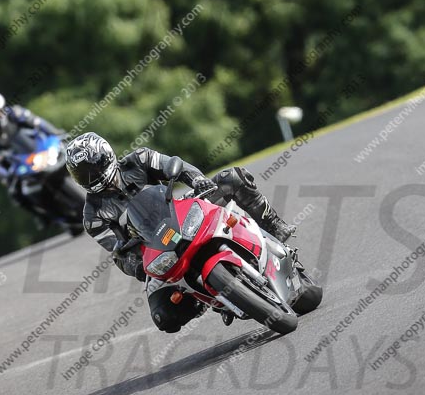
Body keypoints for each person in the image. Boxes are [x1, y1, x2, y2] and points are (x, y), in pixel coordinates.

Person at [66, 132, 296, 333]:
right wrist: (136, 266)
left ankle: (274, 226)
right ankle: (201, 298)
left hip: (184, 212)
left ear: (106, 156)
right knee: (164, 317)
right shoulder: (92, 217)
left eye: (93, 168)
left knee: (232, 179)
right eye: (82, 174)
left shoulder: (140, 159)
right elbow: (118, 252)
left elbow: (177, 167)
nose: (91, 176)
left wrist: (199, 181)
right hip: (156, 250)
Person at [0, 90, 65, 216]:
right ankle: (43, 217)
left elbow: (38, 122)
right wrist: (5, 177)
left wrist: (55, 132)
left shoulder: (15, 112)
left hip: (39, 149)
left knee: (71, 148)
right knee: (15, 194)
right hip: (18, 165)